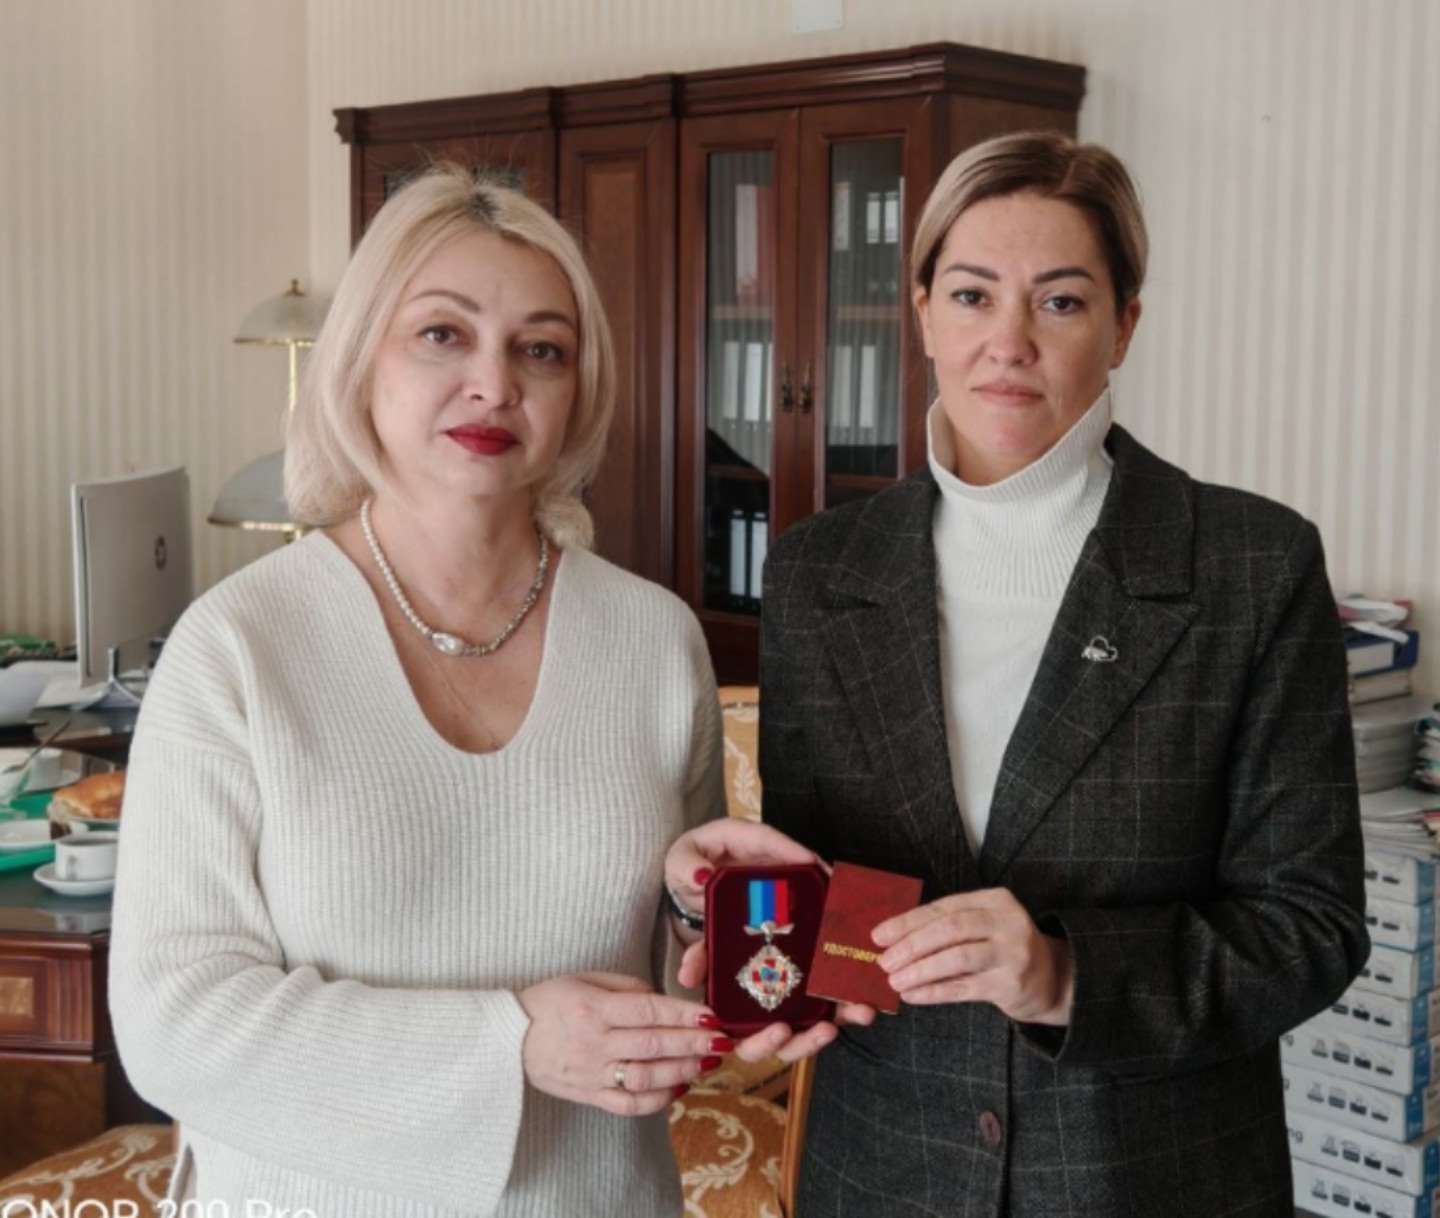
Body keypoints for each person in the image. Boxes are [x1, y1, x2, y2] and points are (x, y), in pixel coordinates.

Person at [110, 164, 835, 1218]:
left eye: (542, 349)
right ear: (362, 359)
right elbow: (174, 1025)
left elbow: (655, 984)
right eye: (443, 334)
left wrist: (700, 922)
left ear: (578, 391)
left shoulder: (653, 639)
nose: (495, 384)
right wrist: (511, 1044)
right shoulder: (237, 647)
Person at [759, 131, 1368, 1217]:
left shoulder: (1252, 566)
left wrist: (1065, 974)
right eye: (972, 295)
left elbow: (1311, 929)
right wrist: (721, 922)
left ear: (1124, 325)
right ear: (922, 313)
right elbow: (816, 894)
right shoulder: (817, 572)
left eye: (1061, 301)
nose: (1009, 343)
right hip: (884, 1171)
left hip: (1150, 1182)